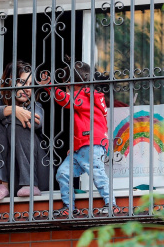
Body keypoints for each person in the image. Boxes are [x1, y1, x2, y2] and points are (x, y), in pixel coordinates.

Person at [39, 60, 118, 216]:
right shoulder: (88, 96)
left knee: (98, 174)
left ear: (71, 83)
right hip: (80, 146)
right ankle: (69, 207)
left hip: (92, 144)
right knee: (63, 173)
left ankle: (112, 205)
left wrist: (49, 86)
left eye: (66, 85)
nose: (66, 89)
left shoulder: (86, 95)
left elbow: (66, 100)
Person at [0, 61, 49, 200]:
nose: (28, 89)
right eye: (22, 82)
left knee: (19, 124)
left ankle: (30, 184)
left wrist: (1, 115)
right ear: (9, 82)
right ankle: (1, 185)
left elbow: (35, 123)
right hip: (11, 178)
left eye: (30, 84)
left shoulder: (35, 106)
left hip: (36, 174)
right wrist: (12, 110)